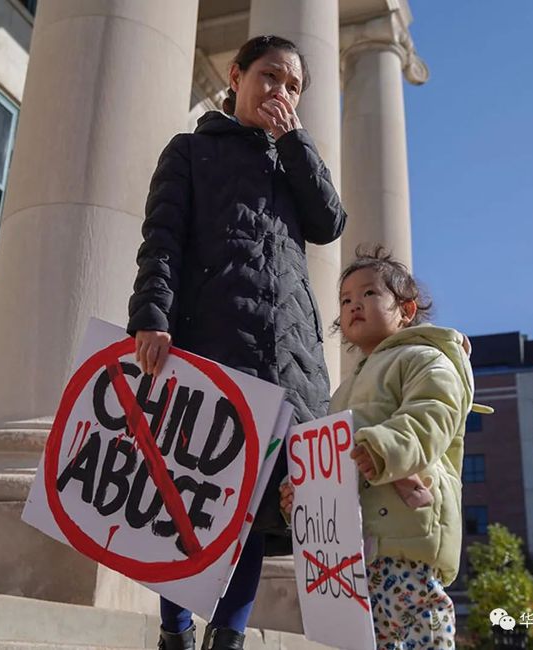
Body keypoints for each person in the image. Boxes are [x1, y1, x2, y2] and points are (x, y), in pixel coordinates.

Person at [127, 35, 347, 650]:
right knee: (183, 498)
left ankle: (229, 634)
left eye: (293, 86)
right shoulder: (191, 150)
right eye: (270, 76)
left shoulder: (291, 160)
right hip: (207, 346)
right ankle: (174, 630)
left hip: (284, 361)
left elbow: (329, 222)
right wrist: (152, 314)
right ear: (237, 75)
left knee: (252, 508)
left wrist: (297, 143)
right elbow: (162, 238)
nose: (280, 92)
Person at [281, 246, 490, 650]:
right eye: (345, 300)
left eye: (369, 294)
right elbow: (331, 461)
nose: (354, 304)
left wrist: (383, 446)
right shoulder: (342, 393)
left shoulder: (426, 358)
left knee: (418, 630)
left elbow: (434, 415)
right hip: (353, 555)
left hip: (406, 537)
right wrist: (303, 495)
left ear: (407, 310)